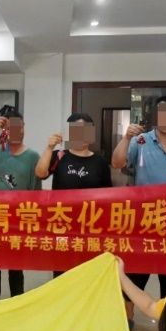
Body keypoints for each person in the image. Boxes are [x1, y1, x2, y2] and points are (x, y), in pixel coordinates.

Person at [112, 95, 166, 322]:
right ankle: (127, 318)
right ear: (156, 115)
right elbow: (117, 163)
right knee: (135, 273)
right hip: (143, 222)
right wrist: (126, 138)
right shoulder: (140, 141)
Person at [0, 106, 41, 300]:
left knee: (16, 268)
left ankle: (16, 303)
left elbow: (35, 192)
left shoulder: (33, 157)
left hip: (18, 221)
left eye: (19, 127)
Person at [35, 112, 112, 277]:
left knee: (88, 272)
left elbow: (108, 197)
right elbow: (40, 173)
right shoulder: (59, 156)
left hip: (91, 227)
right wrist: (49, 148)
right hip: (62, 225)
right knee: (62, 271)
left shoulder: (100, 162)